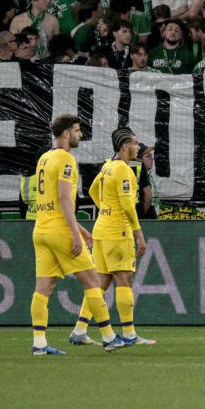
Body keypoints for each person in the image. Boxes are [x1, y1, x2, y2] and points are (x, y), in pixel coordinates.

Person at [30, 114, 125, 355]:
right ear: (65, 134)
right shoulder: (66, 159)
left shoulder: (44, 158)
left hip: (41, 229)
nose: (80, 134)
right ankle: (108, 336)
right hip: (60, 231)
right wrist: (74, 233)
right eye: (77, 130)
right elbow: (63, 199)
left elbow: (51, 199)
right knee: (93, 281)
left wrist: (82, 230)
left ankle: (39, 343)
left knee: (43, 288)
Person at [69, 128, 155, 347]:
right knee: (125, 279)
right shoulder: (124, 170)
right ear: (125, 145)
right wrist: (140, 236)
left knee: (100, 283)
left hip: (101, 229)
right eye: (135, 143)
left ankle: (80, 329)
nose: (138, 147)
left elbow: (92, 190)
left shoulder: (107, 166)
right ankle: (129, 333)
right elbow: (127, 205)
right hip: (119, 232)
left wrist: (105, 208)